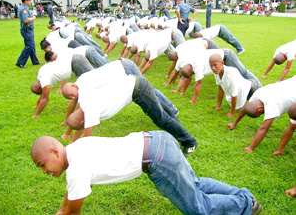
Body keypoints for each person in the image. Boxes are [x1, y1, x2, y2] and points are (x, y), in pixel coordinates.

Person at [31, 132, 262, 215]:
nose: (44, 171)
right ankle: (243, 196)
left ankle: (245, 204)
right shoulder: (75, 149)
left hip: (157, 159)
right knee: (195, 183)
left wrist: (63, 212)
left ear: (54, 151)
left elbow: (72, 212)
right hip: (158, 139)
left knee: (196, 208)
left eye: (42, 164)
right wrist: (63, 209)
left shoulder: (76, 167)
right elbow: (71, 196)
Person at [62, 60, 198, 154]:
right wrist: (71, 143)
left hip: (138, 88)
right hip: (135, 87)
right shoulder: (84, 103)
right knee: (161, 115)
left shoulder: (88, 108)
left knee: (161, 119)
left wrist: (74, 149)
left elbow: (87, 140)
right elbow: (80, 125)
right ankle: (178, 126)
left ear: (82, 121)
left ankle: (190, 142)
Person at [227, 75, 296, 154]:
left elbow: (264, 128)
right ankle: (280, 150)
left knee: (292, 125)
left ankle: (280, 150)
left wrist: (250, 147)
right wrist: (234, 123)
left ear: (260, 110)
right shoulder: (259, 93)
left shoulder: (272, 105)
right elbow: (245, 108)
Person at [209, 53, 259, 118]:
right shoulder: (217, 72)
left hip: (252, 89)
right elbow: (221, 88)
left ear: (222, 63)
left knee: (257, 107)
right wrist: (218, 106)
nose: (213, 68)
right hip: (244, 88)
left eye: (215, 65)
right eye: (211, 66)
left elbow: (234, 95)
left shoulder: (230, 75)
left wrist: (232, 113)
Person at [15, 0, 40, 68]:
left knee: (32, 45)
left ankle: (35, 61)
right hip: (27, 29)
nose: (30, 2)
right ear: (25, 1)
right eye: (29, 0)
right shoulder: (24, 9)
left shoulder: (26, 8)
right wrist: (33, 18)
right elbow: (25, 20)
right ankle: (20, 62)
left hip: (29, 29)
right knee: (29, 45)